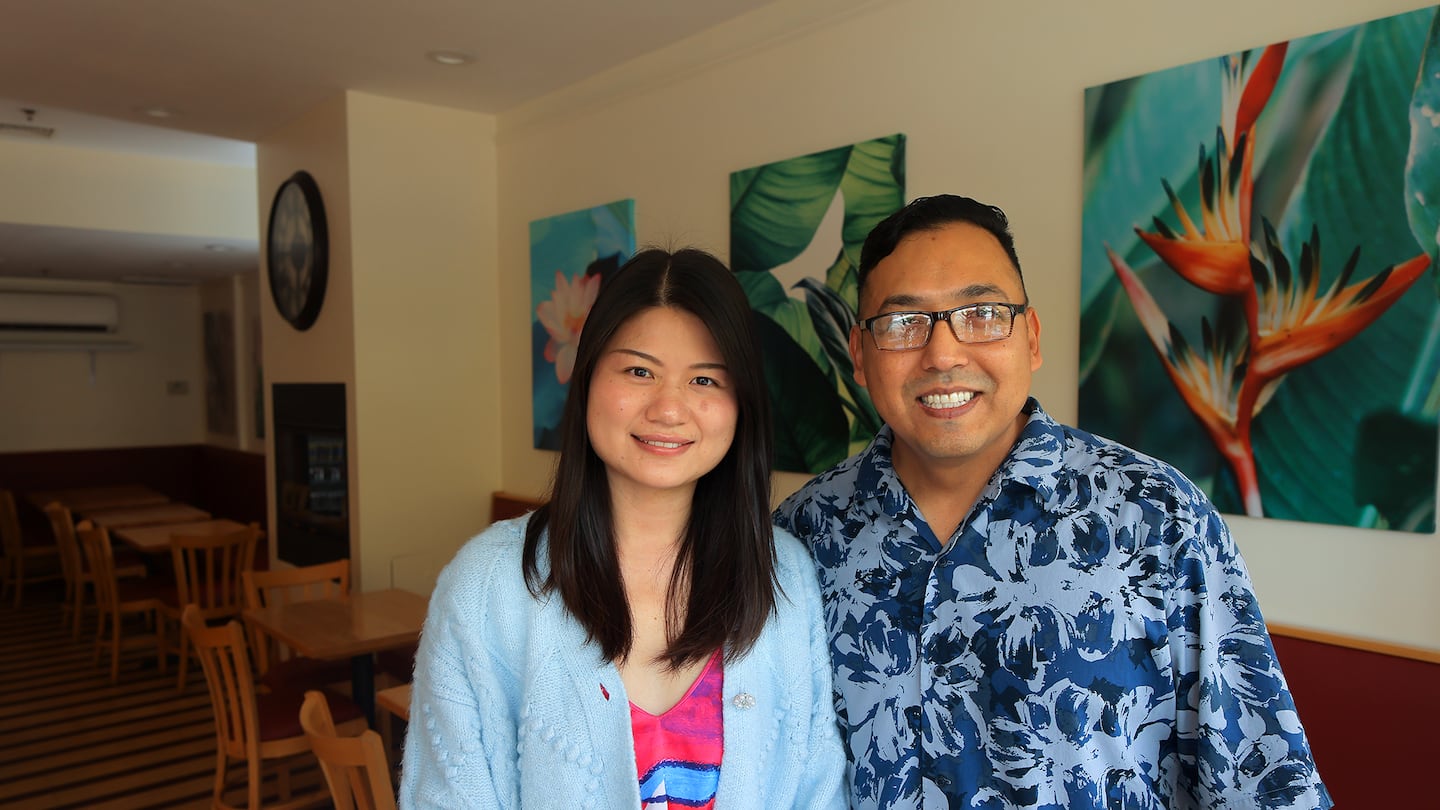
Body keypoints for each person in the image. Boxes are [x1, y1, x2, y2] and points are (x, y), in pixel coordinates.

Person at [773, 195, 1331, 809]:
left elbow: (1265, 783)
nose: (944, 355)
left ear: (1031, 338)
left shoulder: (1156, 519)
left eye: (982, 313)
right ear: (859, 354)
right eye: (903, 324)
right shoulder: (802, 538)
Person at [402, 247, 846, 808]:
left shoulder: (787, 577)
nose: (669, 408)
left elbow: (819, 791)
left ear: (742, 404)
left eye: (706, 380)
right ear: (587, 380)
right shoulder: (486, 586)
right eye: (639, 371)